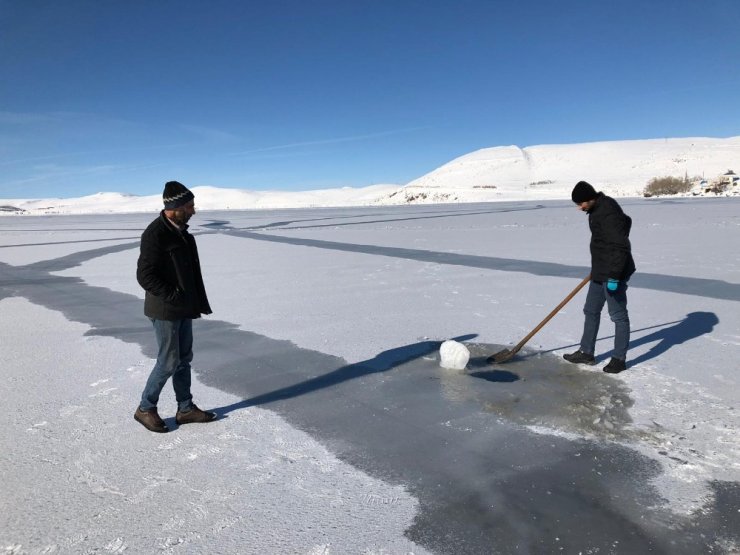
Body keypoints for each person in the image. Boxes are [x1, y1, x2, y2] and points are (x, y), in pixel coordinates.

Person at [134, 181, 216, 432]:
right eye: (189, 206)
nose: (194, 210)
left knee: (183, 360)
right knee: (168, 361)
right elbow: (145, 276)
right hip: (165, 309)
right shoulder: (155, 234)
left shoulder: (182, 233)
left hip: (183, 306)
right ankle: (145, 408)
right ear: (175, 207)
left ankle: (185, 409)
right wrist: (173, 294)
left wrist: (191, 300)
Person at [563, 180, 636, 374]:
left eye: (581, 204)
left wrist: (614, 276)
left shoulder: (608, 212)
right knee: (590, 310)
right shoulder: (597, 209)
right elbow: (627, 221)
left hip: (614, 273)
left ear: (589, 198)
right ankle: (587, 352)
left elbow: (620, 246)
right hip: (600, 270)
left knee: (618, 316)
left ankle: (619, 359)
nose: (580, 208)